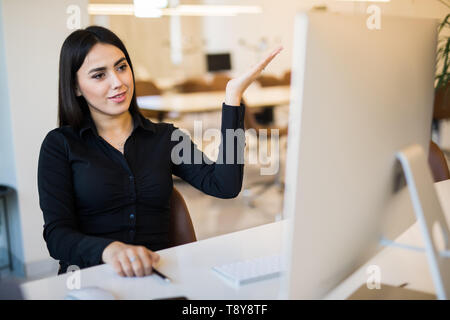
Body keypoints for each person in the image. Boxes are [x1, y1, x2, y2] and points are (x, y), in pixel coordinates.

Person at [37, 26, 282, 278]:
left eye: (121, 67)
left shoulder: (164, 137)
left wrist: (233, 97)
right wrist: (109, 250)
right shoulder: (60, 145)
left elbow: (225, 186)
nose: (118, 82)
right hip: (90, 278)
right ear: (76, 87)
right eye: (99, 75)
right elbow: (57, 236)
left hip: (157, 277)